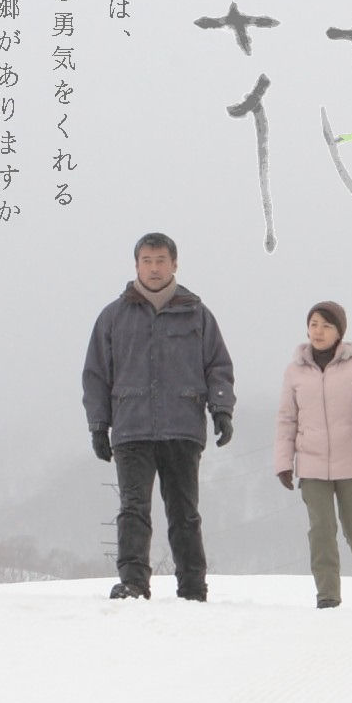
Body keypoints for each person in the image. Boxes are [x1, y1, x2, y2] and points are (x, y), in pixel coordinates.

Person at [82, 232, 234, 602]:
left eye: (161, 260)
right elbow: (97, 374)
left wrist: (221, 408)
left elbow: (217, 365)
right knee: (133, 509)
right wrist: (99, 424)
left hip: (182, 426)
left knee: (184, 512)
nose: (154, 267)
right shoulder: (113, 316)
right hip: (132, 427)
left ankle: (193, 587)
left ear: (175, 264)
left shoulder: (197, 313)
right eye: (147, 260)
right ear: (136, 265)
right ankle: (133, 582)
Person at [274, 300, 352, 610]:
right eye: (313, 324)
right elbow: (287, 418)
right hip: (311, 464)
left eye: (326, 325)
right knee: (321, 532)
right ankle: (327, 596)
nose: (318, 331)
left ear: (339, 331)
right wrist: (284, 463)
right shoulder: (295, 370)